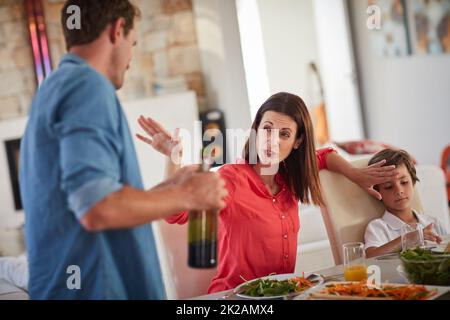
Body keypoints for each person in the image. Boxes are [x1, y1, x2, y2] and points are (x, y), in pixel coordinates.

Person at [19, 0, 227, 300]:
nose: (130, 58)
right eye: (133, 42)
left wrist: (169, 188)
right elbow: (97, 208)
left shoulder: (52, 89)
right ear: (117, 30)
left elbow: (87, 200)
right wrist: (190, 195)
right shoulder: (87, 86)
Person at [137, 92, 398, 293]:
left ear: (297, 143)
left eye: (284, 134)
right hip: (233, 299)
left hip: (281, 294)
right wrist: (174, 157)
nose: (272, 140)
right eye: (267, 129)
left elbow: (323, 155)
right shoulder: (231, 178)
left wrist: (355, 174)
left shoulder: (289, 177)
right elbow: (175, 213)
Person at [364, 149, 449, 258]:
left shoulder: (433, 222)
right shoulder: (378, 227)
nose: (399, 191)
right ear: (377, 192)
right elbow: (371, 256)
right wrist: (407, 238)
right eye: (389, 187)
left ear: (413, 181)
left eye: (404, 182)